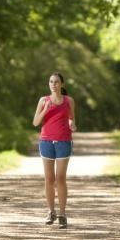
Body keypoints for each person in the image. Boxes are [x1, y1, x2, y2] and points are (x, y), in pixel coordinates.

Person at [32, 72, 76, 228]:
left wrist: (72, 124)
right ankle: (51, 211)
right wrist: (45, 109)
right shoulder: (43, 100)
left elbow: (71, 118)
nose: (53, 84)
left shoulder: (68, 101)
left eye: (56, 82)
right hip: (46, 142)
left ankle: (63, 214)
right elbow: (36, 122)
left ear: (62, 84)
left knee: (60, 178)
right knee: (49, 178)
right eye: (51, 82)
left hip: (64, 141)